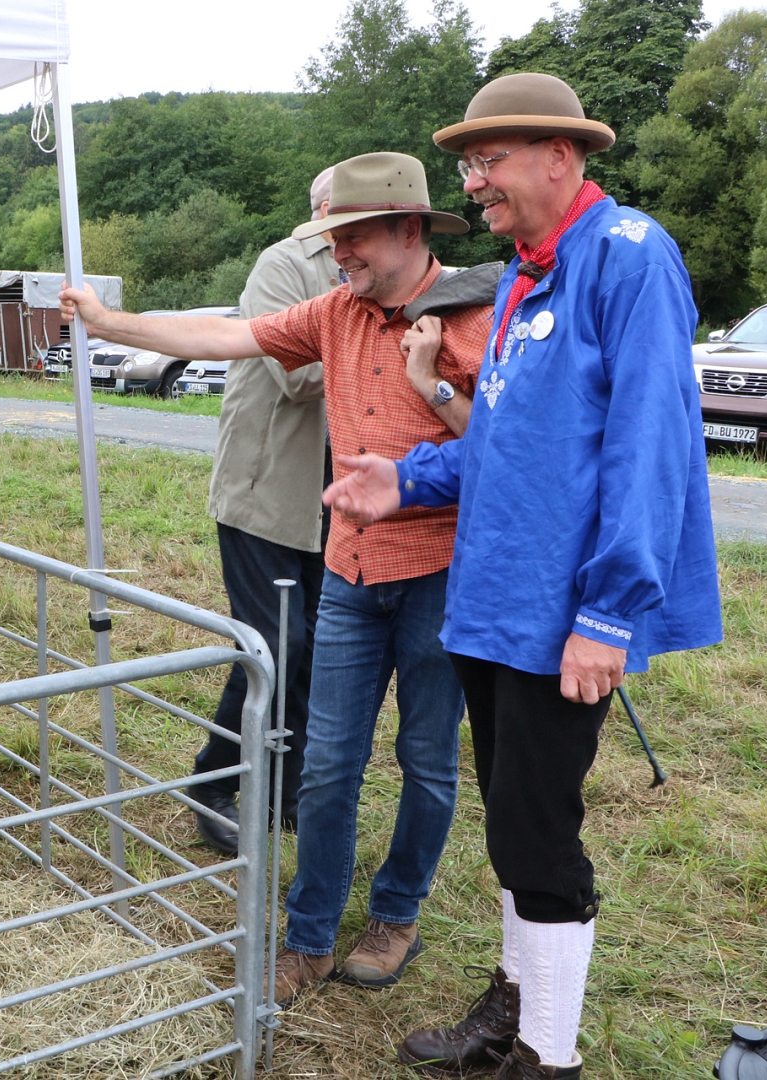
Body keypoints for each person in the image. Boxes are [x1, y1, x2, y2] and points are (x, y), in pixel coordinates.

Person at [324, 74, 722, 1079]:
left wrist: (610, 614)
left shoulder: (627, 257)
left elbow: (650, 447)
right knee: (511, 820)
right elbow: (505, 443)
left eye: (488, 161)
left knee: (539, 831)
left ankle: (547, 1056)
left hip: (563, 609)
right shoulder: (518, 278)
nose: (474, 183)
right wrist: (407, 478)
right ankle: (513, 1008)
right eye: (468, 164)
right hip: (495, 601)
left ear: (560, 155)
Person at [61, 152, 501, 999]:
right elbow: (221, 336)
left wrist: (429, 384)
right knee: (328, 763)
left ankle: (395, 915)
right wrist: (110, 322)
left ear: (409, 229)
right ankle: (309, 937)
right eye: (334, 238)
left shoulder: (480, 315)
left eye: (355, 237)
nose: (340, 253)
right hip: (351, 571)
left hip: (442, 575)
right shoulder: (334, 311)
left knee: (426, 758)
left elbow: (508, 451)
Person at [188, 166, 337, 856]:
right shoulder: (284, 265)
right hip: (266, 493)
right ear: (326, 209)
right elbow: (299, 375)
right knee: (276, 644)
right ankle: (213, 781)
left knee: (319, 648)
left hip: (335, 497)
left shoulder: (383, 270)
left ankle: (286, 789)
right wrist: (385, 349)